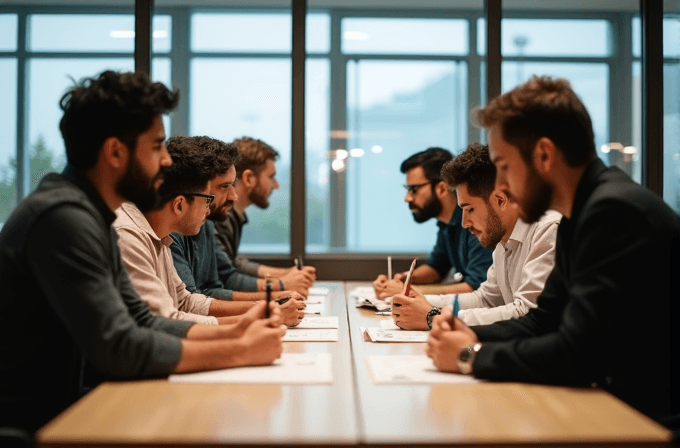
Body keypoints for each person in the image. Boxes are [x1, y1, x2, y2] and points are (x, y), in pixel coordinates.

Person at [0, 70, 285, 433]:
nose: (167, 161)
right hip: (38, 426)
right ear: (116, 152)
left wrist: (237, 331)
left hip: (71, 413)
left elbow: (144, 321)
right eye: (156, 146)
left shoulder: (91, 214)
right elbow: (121, 348)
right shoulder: (63, 219)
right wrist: (240, 351)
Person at [426, 76, 679, 422]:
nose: (501, 186)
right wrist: (468, 333)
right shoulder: (582, 212)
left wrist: (470, 355)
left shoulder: (613, 213)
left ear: (544, 155)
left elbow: (578, 354)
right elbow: (541, 322)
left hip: (645, 421)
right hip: (615, 404)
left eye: (503, 167)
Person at [114, 135, 305, 326]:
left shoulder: (160, 237)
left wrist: (264, 309)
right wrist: (260, 317)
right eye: (207, 198)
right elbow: (163, 323)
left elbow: (186, 301)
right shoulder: (128, 236)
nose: (209, 206)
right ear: (180, 204)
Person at [391, 143, 560, 330]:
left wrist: (434, 316)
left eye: (469, 209)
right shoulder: (503, 239)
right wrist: (422, 303)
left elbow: (528, 314)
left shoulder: (548, 230)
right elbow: (485, 299)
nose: (464, 223)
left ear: (500, 200)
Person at [169, 136, 314, 300]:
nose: (276, 185)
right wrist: (278, 288)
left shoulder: (207, 219)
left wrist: (282, 281)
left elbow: (223, 275)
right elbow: (224, 280)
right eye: (271, 176)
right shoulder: (206, 218)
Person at [373, 147, 493, 297]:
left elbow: (477, 287)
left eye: (413, 189)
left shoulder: (475, 221)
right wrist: (405, 279)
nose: (407, 198)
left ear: (442, 188)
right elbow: (437, 268)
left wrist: (409, 291)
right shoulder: (446, 223)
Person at [213, 136, 316, 287]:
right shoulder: (220, 217)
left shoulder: (233, 216)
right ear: (249, 178)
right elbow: (226, 276)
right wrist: (282, 284)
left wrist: (286, 274)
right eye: (271, 176)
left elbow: (233, 263)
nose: (276, 185)